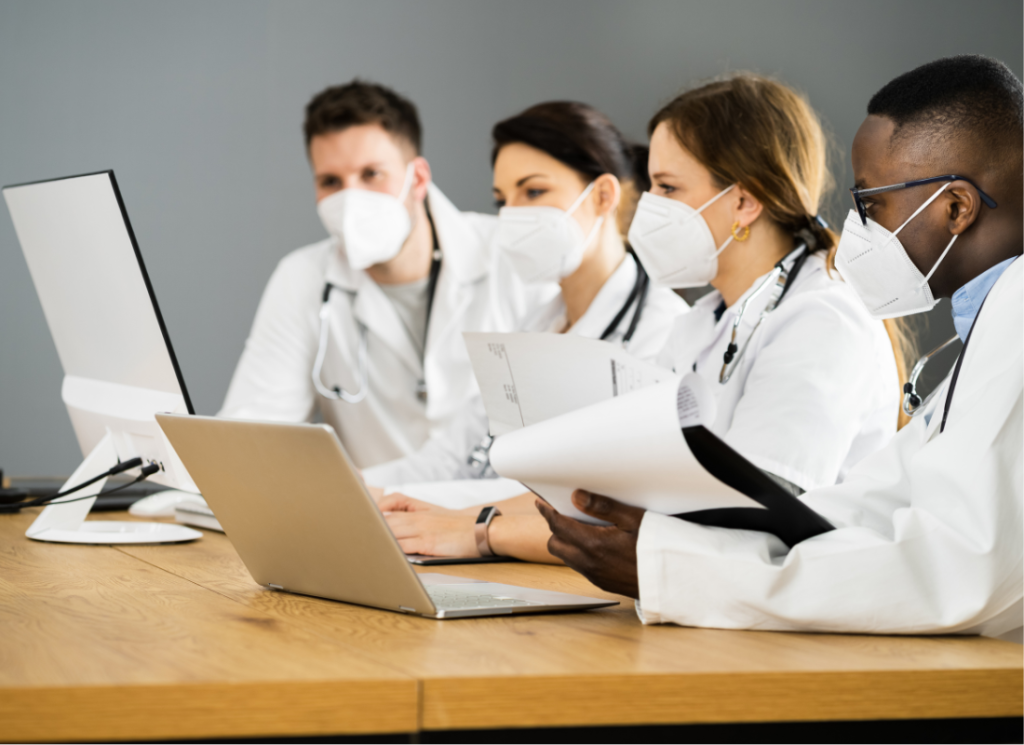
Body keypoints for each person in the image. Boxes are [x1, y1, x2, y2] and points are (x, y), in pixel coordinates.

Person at [540, 55, 1023, 641]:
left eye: (872, 204)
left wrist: (674, 568)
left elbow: (960, 573)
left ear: (956, 207)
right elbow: (871, 504)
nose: (859, 227)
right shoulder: (990, 324)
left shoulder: (1009, 324)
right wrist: (676, 542)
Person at [382, 75, 910, 563]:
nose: (647, 206)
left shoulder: (821, 320)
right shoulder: (702, 324)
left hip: (797, 617)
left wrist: (482, 533)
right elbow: (606, 490)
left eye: (668, 188)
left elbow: (744, 525)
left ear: (744, 201)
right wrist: (456, 519)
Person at [361, 101, 687, 489]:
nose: (511, 216)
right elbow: (449, 458)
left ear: (602, 196)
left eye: (533, 191)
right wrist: (346, 488)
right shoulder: (536, 325)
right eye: (502, 200)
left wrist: (459, 517)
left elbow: (599, 495)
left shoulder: (663, 329)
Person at [220, 81, 539, 470]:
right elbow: (251, 436)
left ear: (418, 179)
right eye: (330, 182)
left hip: (493, 520)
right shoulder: (303, 277)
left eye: (372, 174)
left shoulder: (511, 257)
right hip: (377, 519)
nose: (350, 199)